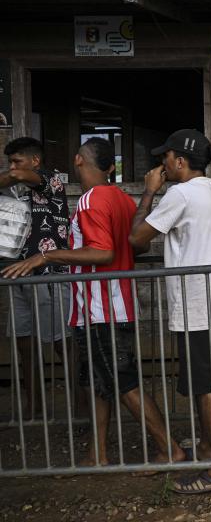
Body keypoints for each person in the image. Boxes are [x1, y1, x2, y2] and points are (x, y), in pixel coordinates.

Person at [3, 138, 185, 467]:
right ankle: (96, 454)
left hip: (101, 306)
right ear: (111, 167)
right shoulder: (122, 199)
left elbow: (104, 252)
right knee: (98, 381)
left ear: (77, 160)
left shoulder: (90, 200)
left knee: (122, 380)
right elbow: (135, 246)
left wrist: (47, 256)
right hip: (108, 304)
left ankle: (169, 447)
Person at [129, 129, 211, 494]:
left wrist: (150, 191)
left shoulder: (179, 194)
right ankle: (207, 448)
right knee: (209, 380)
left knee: (208, 387)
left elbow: (136, 240)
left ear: (180, 161)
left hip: (197, 305)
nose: (161, 165)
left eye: (165, 158)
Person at [0, 136, 70, 418]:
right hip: (16, 272)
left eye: (17, 161)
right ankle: (35, 410)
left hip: (48, 274)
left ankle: (82, 410)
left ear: (35, 161)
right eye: (10, 161)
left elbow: (16, 175)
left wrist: (11, 174)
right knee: (24, 344)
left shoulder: (51, 181)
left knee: (62, 345)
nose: (12, 167)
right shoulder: (13, 192)